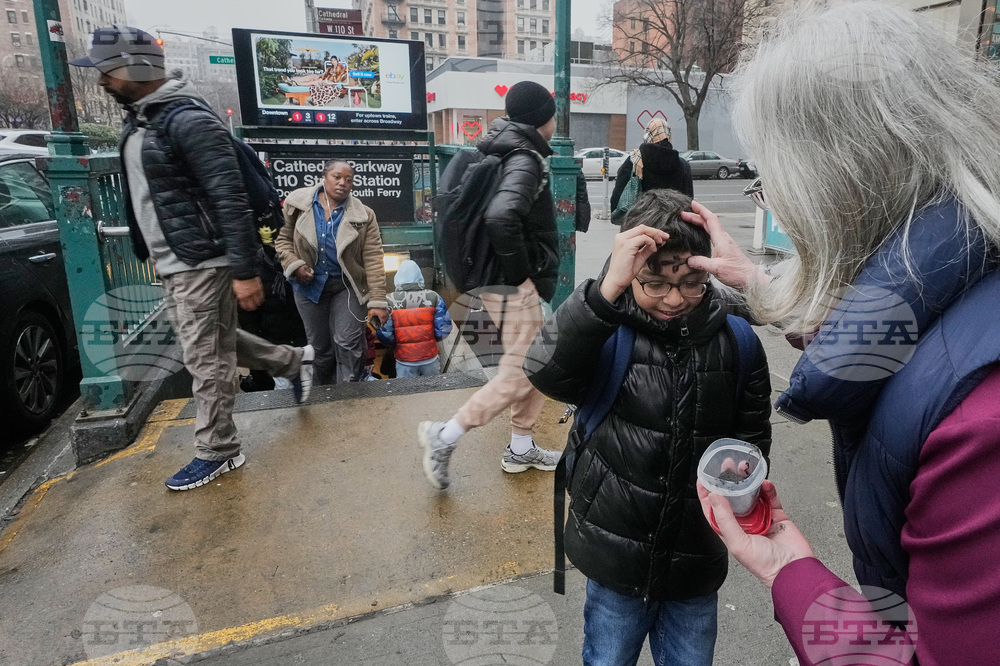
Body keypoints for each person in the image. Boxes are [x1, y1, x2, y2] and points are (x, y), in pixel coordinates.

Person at [680, 3, 1000, 664]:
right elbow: (913, 314)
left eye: (776, 181)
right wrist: (761, 284)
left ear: (837, 189)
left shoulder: (980, 429)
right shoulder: (975, 265)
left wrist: (791, 573)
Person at [525, 189, 772, 666]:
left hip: (696, 557)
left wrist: (743, 482)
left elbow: (752, 437)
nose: (674, 298)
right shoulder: (606, 328)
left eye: (691, 281)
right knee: (608, 656)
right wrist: (603, 293)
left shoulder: (737, 341)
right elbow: (545, 371)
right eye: (653, 283)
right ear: (628, 272)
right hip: (615, 552)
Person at [70, 26, 315, 491]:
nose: (101, 82)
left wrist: (244, 271)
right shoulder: (145, 118)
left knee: (205, 357)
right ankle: (292, 361)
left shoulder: (187, 121)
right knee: (213, 342)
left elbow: (229, 197)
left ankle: (218, 449)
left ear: (135, 67)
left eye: (106, 72)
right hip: (178, 260)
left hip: (203, 260)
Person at [417, 80, 561, 490]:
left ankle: (520, 446)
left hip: (491, 281)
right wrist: (522, 278)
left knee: (538, 360)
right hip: (510, 285)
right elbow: (502, 217)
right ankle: (445, 436)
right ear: (543, 118)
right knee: (523, 372)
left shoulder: (501, 147)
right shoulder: (525, 159)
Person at [275, 160, 388, 384]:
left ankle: (348, 393)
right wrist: (294, 264)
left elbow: (373, 258)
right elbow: (282, 240)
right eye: (337, 177)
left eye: (348, 180)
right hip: (309, 287)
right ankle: (322, 394)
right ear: (324, 177)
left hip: (347, 287)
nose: (343, 183)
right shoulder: (296, 204)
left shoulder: (364, 215)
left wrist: (377, 301)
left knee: (347, 341)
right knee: (320, 347)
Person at [376, 260, 453, 377]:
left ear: (398, 277)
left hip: (404, 359)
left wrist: (395, 344)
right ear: (420, 277)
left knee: (408, 392)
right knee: (433, 391)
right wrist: (431, 340)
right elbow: (444, 328)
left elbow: (385, 334)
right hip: (430, 357)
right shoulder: (433, 297)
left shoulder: (389, 301)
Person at [611, 117, 693, 212]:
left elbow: (618, 198)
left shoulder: (635, 161)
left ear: (647, 135)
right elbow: (688, 201)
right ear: (669, 136)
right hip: (672, 223)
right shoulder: (683, 165)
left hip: (640, 221)